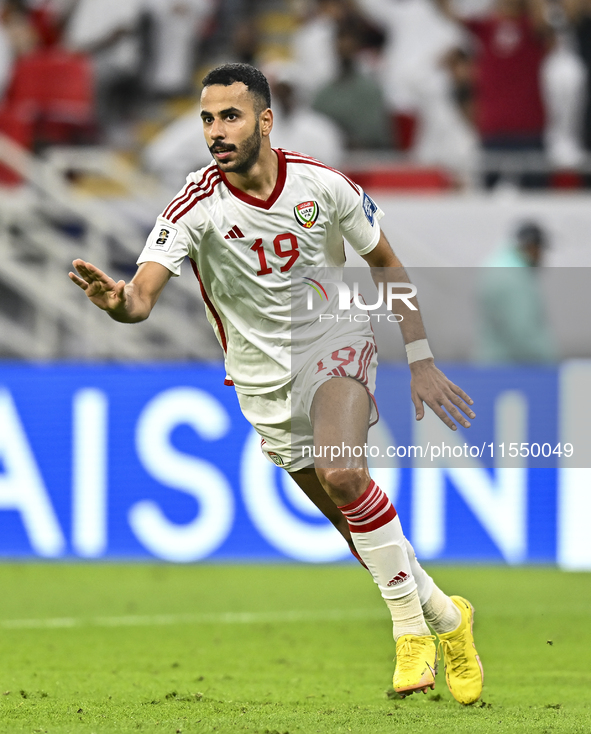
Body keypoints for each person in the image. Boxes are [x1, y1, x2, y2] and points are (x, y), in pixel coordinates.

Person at [68, 62, 483, 703]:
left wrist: (421, 357)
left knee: (345, 473)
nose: (215, 131)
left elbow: (387, 264)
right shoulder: (195, 207)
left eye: (229, 116)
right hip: (262, 382)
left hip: (337, 340)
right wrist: (116, 302)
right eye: (206, 119)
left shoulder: (324, 187)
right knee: (356, 530)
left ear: (265, 120)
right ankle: (449, 618)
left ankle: (410, 633)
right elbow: (142, 296)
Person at [474, 221, 557, 363]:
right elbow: (523, 332)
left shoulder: (495, 269)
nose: (543, 257)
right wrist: (550, 361)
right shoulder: (513, 280)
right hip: (511, 370)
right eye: (540, 249)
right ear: (531, 247)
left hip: (491, 363)